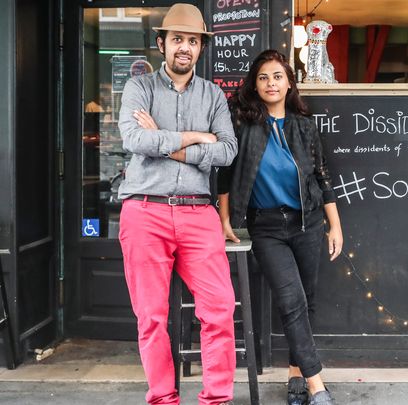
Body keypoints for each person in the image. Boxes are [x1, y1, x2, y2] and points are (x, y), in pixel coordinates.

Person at [117, 4, 238, 405]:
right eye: (177, 40)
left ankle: (216, 399)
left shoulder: (213, 94)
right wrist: (196, 136)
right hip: (144, 211)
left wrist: (168, 142)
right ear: (161, 44)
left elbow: (227, 151)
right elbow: (136, 141)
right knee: (151, 317)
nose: (184, 48)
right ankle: (163, 399)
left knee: (219, 310)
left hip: (198, 212)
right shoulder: (140, 88)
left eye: (192, 41)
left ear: (200, 47)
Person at [217, 49, 343, 405]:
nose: (271, 83)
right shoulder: (242, 125)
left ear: (289, 82)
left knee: (307, 302)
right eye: (263, 77)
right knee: (291, 301)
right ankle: (318, 384)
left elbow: (323, 177)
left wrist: (335, 226)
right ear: (254, 86)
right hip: (267, 227)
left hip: (307, 223)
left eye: (277, 76)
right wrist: (224, 219)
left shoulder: (304, 125)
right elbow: (224, 175)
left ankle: (295, 375)